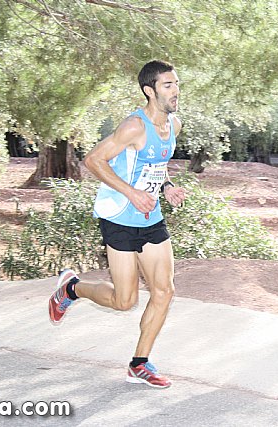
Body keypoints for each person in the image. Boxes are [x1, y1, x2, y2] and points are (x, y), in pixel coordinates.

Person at [48, 60, 186, 389]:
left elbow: (156, 166)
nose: (176, 91)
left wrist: (166, 187)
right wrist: (131, 193)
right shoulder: (134, 127)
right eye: (168, 86)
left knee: (164, 291)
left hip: (151, 219)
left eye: (177, 84)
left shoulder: (174, 125)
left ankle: (139, 363)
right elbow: (93, 160)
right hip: (120, 218)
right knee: (125, 301)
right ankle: (71, 288)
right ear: (149, 91)